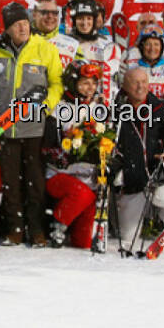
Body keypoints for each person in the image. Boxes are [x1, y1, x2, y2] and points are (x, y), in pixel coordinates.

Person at [0, 2, 64, 246]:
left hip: (35, 128)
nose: (22, 28)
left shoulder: (45, 49)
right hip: (5, 127)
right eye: (15, 24)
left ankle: (37, 229)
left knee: (35, 182)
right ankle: (14, 228)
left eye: (24, 23)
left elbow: (57, 84)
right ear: (7, 28)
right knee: (10, 182)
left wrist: (44, 108)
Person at [107, 66, 164, 248]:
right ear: (124, 86)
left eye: (143, 82)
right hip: (132, 181)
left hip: (159, 176)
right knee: (127, 237)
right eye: (134, 83)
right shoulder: (115, 112)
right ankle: (133, 216)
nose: (140, 87)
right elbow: (110, 145)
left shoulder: (162, 108)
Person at [44, 61, 114, 249]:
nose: (90, 88)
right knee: (84, 195)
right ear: (73, 83)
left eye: (93, 83)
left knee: (82, 243)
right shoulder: (61, 108)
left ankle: (73, 233)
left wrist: (106, 159)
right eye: (84, 82)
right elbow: (49, 146)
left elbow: (108, 141)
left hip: (88, 176)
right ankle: (57, 226)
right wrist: (74, 149)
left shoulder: (99, 108)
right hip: (59, 174)